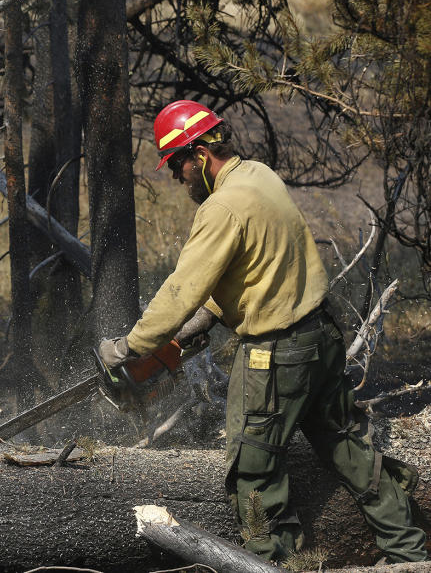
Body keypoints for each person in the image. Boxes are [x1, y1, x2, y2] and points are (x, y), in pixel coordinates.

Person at [97, 101, 427, 564]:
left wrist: (130, 347)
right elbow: (258, 263)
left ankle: (272, 563)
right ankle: (411, 554)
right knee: (350, 445)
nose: (175, 176)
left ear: (200, 153)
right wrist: (205, 320)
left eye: (176, 164)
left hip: (276, 354)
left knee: (252, 471)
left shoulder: (221, 208)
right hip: (322, 336)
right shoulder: (258, 175)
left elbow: (179, 291)